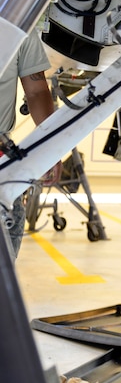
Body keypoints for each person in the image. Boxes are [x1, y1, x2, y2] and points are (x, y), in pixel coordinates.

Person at [1, 31, 61, 259]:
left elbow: (36, 92)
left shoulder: (21, 24)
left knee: (5, 257)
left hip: (1, 158)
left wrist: (51, 148)